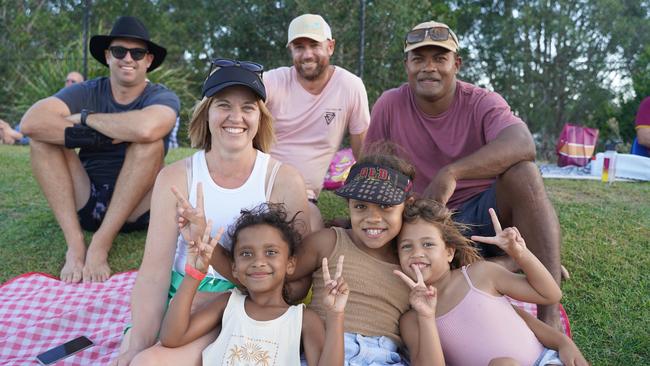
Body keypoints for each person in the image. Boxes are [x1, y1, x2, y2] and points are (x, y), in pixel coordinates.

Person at [112, 59, 310, 366]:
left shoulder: (283, 180)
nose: (236, 117)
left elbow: (296, 279)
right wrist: (137, 342)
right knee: (132, 358)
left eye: (248, 107)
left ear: (261, 117)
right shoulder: (176, 177)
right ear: (207, 113)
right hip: (178, 292)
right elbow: (153, 276)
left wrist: (223, 297)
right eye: (223, 105)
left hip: (239, 301)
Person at [365, 20, 562, 327]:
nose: (428, 68)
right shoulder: (389, 104)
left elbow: (522, 143)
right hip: (425, 220)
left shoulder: (482, 101)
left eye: (439, 58)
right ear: (406, 65)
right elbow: (371, 171)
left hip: (486, 217)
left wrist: (452, 172)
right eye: (418, 59)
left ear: (456, 64)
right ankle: (517, 261)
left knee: (525, 173)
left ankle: (549, 309)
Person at [210, 145, 414, 365]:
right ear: (349, 205)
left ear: (407, 206)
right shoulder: (329, 242)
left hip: (382, 356)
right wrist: (207, 247)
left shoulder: (411, 259)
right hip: (323, 350)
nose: (372, 218)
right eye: (361, 206)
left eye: (385, 206)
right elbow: (269, 275)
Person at [20, 16, 180, 283]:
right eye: (119, 51)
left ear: (148, 61)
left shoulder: (161, 96)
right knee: (41, 141)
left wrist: (85, 119)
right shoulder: (88, 90)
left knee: (149, 144)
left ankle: (100, 245)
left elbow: (147, 128)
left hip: (136, 207)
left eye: (137, 52)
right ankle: (75, 244)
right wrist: (102, 138)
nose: (128, 58)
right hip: (88, 198)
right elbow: (32, 123)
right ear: (108, 56)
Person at [131, 204, 348, 365]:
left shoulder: (303, 319)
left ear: (290, 264)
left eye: (271, 252)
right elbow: (171, 338)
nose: (258, 261)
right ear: (234, 268)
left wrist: (336, 315)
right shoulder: (229, 303)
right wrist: (194, 275)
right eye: (246, 253)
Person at [393, 199, 588, 366]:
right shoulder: (412, 319)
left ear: (449, 252)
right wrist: (426, 316)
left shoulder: (480, 274)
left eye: (428, 244)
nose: (417, 253)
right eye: (407, 246)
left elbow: (550, 295)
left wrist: (520, 254)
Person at [264, 13, 371, 231]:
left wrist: (366, 199)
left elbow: (363, 150)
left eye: (314, 45)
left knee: (312, 239)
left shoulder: (350, 86)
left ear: (330, 47)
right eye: (299, 47)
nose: (307, 54)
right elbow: (240, 114)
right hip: (258, 186)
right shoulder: (273, 80)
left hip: (303, 195)